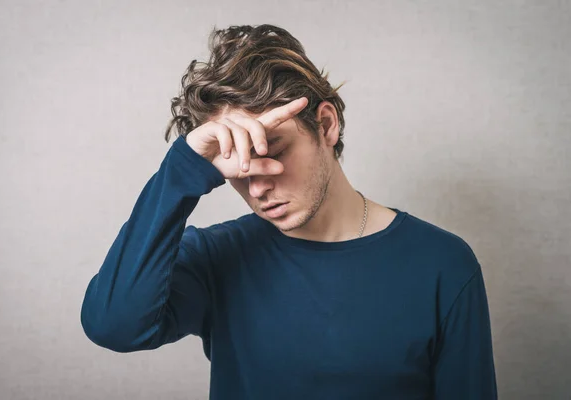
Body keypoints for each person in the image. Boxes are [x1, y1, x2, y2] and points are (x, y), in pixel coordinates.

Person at [80, 24, 498, 399]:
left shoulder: (442, 263)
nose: (257, 186)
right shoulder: (216, 257)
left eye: (273, 152)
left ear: (327, 125)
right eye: (237, 167)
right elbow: (114, 326)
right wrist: (181, 170)